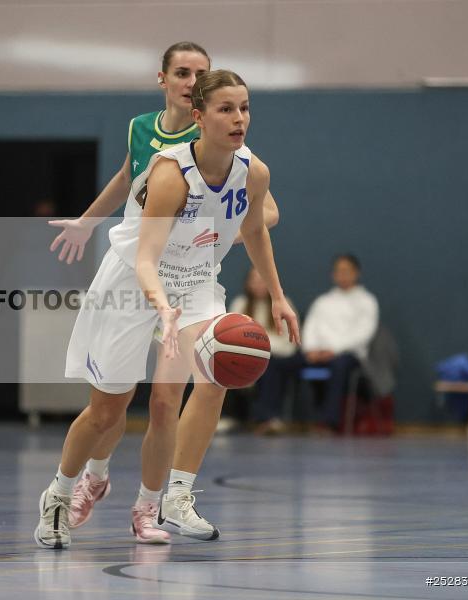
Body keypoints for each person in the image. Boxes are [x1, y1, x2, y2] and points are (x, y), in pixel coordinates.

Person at [34, 69, 299, 549]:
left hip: (196, 282)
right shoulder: (170, 174)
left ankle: (158, 505)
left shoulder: (253, 172)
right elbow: (145, 259)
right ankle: (59, 492)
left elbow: (257, 230)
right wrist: (161, 305)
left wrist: (278, 296)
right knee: (107, 411)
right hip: (136, 284)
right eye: (225, 109)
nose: (239, 118)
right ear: (198, 117)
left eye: (244, 108)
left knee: (197, 385)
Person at [300, 254, 378, 432]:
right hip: (317, 353)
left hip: (348, 356)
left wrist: (333, 350)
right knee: (283, 362)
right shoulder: (322, 301)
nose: (342, 275)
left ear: (356, 273)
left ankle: (329, 422)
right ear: (333, 275)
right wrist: (311, 350)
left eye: (346, 271)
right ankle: (269, 418)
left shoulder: (367, 301)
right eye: (338, 271)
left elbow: (363, 334)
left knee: (339, 365)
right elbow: (310, 328)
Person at [228, 267, 300, 434]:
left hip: (280, 358)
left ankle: (268, 418)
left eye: (263, 280)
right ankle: (228, 416)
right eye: (255, 280)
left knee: (270, 365)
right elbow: (232, 338)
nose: (259, 284)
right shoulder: (240, 304)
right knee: (222, 362)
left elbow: (291, 344)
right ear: (248, 283)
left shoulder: (284, 303)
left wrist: (261, 347)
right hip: (247, 357)